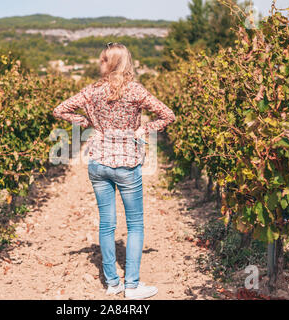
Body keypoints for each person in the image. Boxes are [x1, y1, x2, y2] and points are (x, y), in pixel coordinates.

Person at [53, 43, 175, 299]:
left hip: (98, 162)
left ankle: (112, 283)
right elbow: (168, 115)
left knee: (106, 224)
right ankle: (131, 286)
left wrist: (87, 122)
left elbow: (60, 110)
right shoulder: (135, 90)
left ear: (108, 64)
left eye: (102, 59)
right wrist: (143, 129)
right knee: (135, 225)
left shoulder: (91, 91)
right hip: (127, 163)